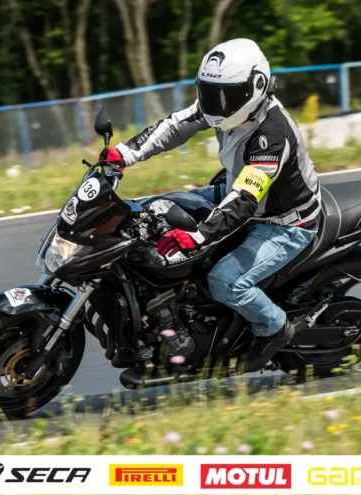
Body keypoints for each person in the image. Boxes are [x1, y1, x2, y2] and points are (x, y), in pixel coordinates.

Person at [101, 38, 322, 370]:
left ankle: (274, 328)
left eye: (225, 95)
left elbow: (246, 199)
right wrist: (123, 154)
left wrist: (199, 236)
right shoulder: (225, 108)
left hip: (284, 223)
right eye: (208, 93)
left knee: (225, 282)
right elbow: (174, 127)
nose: (214, 104)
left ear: (256, 87)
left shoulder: (272, 135)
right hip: (239, 194)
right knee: (152, 209)